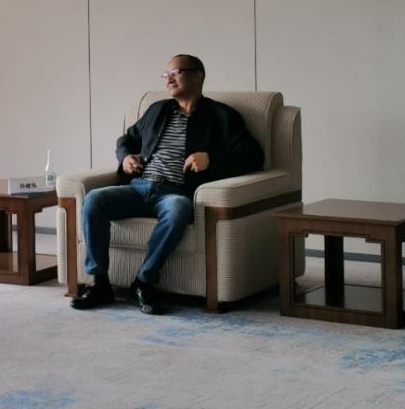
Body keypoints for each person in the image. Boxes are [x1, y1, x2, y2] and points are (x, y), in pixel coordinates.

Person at [71, 54, 263, 314]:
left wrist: (211, 159)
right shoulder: (157, 110)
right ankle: (99, 283)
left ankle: (143, 282)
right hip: (139, 187)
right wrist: (125, 157)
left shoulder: (221, 115)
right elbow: (126, 139)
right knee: (94, 199)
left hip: (176, 192)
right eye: (166, 75)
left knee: (178, 209)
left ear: (197, 77)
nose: (169, 79)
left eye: (176, 72)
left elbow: (253, 155)